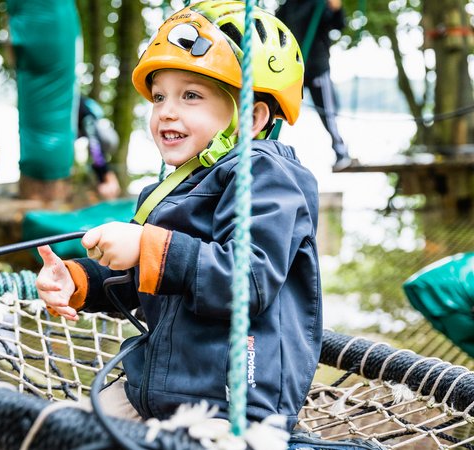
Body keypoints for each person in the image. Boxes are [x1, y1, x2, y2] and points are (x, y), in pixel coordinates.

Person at [35, 1, 322, 431]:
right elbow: (141, 279)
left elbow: (246, 278)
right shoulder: (172, 190)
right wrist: (78, 281)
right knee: (52, 434)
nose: (166, 111)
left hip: (234, 407)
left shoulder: (265, 173)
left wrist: (148, 247)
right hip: (157, 390)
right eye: (159, 97)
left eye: (191, 95)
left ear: (253, 115)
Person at [277, 0, 352, 172]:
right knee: (279, 108)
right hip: (294, 66)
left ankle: (341, 151)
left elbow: (338, 24)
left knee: (327, 112)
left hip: (317, 67)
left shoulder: (320, 4)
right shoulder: (288, 6)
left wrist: (336, 8)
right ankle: (268, 146)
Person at [77, 96, 121, 200]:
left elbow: (95, 153)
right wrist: (107, 176)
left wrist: (103, 178)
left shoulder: (87, 116)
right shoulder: (88, 117)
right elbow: (95, 149)